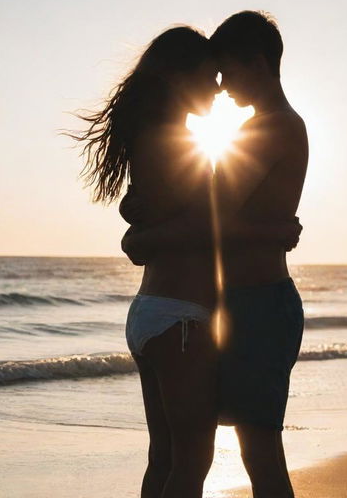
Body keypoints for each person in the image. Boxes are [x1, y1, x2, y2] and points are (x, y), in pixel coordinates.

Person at [70, 25, 301, 498]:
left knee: (169, 457)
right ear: (181, 80)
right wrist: (271, 231)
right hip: (182, 318)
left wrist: (140, 233)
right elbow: (209, 222)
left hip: (151, 313)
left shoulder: (161, 136)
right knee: (199, 459)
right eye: (211, 75)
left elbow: (196, 216)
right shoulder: (184, 140)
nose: (219, 87)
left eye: (225, 72)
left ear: (255, 62)